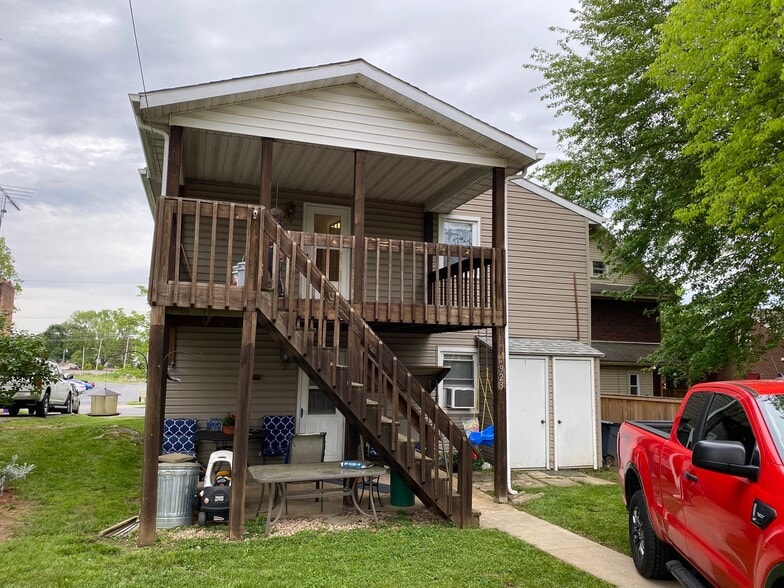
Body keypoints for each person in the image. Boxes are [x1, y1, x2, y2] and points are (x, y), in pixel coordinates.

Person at [269, 207, 285, 296]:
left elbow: (282, 240)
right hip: (267, 250)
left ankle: (280, 291)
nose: (279, 220)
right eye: (278, 218)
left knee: (276, 272)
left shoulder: (280, 226)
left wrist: (281, 252)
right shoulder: (268, 224)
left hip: (275, 250)